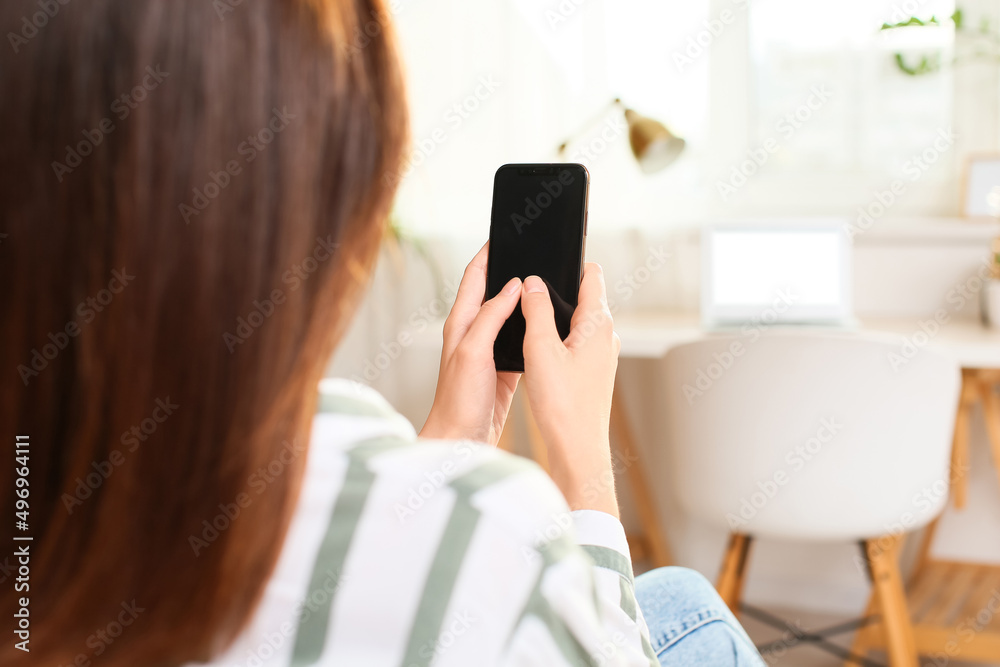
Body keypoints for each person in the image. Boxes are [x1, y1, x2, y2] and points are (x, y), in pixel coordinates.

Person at [0, 0, 765, 665]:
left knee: (676, 599)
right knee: (691, 617)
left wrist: (451, 443)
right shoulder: (501, 526)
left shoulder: (40, 504)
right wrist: (583, 463)